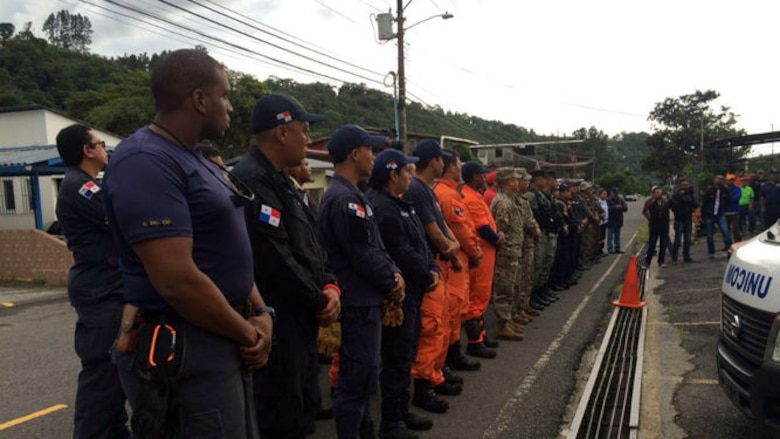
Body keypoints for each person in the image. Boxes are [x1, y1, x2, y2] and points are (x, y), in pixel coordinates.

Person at [104, 49, 271, 438]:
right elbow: (176, 281)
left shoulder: (192, 158)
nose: (229, 106)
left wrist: (264, 313)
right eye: (225, 95)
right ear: (198, 99)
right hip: (191, 345)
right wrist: (249, 334)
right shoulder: (146, 160)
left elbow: (223, 251)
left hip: (225, 334)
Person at [231, 93, 341, 438]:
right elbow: (273, 258)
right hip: (279, 320)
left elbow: (310, 243)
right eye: (304, 131)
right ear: (282, 132)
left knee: (303, 407)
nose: (307, 140)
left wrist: (329, 283)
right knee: (280, 415)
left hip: (301, 315)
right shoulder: (251, 180)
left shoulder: (282, 181)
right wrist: (318, 298)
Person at [318, 124, 405, 439]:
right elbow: (362, 254)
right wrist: (392, 279)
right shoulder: (345, 199)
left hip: (365, 299)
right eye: (371, 150)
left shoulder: (353, 195)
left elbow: (375, 247)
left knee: (364, 379)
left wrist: (393, 272)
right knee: (357, 382)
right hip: (357, 302)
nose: (374, 156)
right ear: (355, 154)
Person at [54, 124, 131, 439]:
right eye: (101, 144)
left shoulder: (88, 183)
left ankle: (113, 430)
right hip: (101, 290)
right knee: (102, 369)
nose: (105, 149)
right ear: (87, 150)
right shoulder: (80, 186)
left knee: (115, 371)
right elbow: (120, 216)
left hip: (108, 286)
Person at [365, 148, 440, 438]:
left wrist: (431, 267)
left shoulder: (400, 204)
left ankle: (402, 411)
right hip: (399, 293)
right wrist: (426, 272)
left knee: (406, 354)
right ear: (393, 174)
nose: (410, 175)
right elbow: (400, 251)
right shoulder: (382, 207)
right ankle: (392, 421)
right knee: (396, 357)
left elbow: (419, 242)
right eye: (406, 171)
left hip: (414, 288)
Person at [403, 139, 462, 414]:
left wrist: (452, 247)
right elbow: (432, 232)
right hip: (428, 270)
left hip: (438, 265)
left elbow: (443, 226)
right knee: (430, 329)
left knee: (438, 326)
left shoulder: (426, 190)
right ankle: (423, 389)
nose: (446, 163)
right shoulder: (417, 188)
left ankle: (434, 376)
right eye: (442, 159)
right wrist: (451, 249)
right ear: (433, 161)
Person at [433, 151, 483, 373]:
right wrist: (474, 251)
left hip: (457, 259)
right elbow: (461, 230)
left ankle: (452, 356)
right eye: (458, 163)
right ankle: (447, 361)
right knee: (451, 313)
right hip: (456, 261)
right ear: (451, 167)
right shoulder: (448, 195)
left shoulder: (448, 192)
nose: (460, 167)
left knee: (454, 312)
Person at [459, 161, 501, 357]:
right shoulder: (471, 198)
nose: (485, 178)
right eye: (482, 175)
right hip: (481, 255)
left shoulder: (475, 196)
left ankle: (481, 336)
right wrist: (498, 238)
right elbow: (483, 228)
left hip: (486, 254)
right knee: (477, 298)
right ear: (475, 176)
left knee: (481, 298)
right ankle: (475, 343)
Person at [490, 167, 529, 340]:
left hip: (513, 250)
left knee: (512, 286)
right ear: (506, 182)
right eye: (513, 180)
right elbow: (500, 229)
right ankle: (502, 325)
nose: (517, 182)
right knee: (504, 288)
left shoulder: (511, 200)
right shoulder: (503, 202)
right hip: (506, 251)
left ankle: (508, 320)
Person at [701, 174, 733, 258]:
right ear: (715, 180)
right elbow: (704, 203)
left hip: (720, 214)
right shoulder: (709, 190)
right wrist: (703, 216)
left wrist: (724, 209)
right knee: (709, 234)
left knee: (726, 231)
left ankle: (730, 250)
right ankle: (711, 252)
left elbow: (729, 201)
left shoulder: (725, 191)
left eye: (722, 179)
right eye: (718, 179)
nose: (720, 180)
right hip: (710, 215)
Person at [668, 177, 698, 263]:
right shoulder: (676, 196)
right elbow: (673, 207)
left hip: (688, 218)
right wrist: (681, 198)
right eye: (683, 185)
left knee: (688, 239)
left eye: (686, 185)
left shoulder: (690, 195)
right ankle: (675, 257)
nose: (685, 187)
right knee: (678, 239)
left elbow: (695, 205)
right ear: (679, 186)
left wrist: (689, 200)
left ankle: (686, 256)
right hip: (679, 220)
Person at [642, 186, 671, 268]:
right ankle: (647, 262)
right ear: (653, 194)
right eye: (656, 192)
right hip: (654, 226)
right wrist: (650, 218)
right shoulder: (650, 202)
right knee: (652, 245)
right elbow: (646, 210)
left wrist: (669, 197)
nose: (658, 194)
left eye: (659, 192)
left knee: (663, 245)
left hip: (664, 226)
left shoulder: (665, 202)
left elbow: (671, 205)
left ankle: (661, 261)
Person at [606, 187, 627, 254]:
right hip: (611, 220)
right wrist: (615, 207)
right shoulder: (608, 200)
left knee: (617, 236)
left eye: (616, 193)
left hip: (618, 220)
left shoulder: (620, 200)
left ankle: (617, 248)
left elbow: (626, 208)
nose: (615, 194)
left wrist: (622, 207)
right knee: (610, 236)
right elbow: (607, 210)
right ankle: (610, 249)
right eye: (614, 193)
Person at [725, 174, 742, 242]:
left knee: (735, 228)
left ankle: (738, 242)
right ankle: (728, 243)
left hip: (735, 211)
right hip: (726, 212)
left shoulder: (737, 189)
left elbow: (736, 198)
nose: (730, 182)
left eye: (732, 180)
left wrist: (727, 199)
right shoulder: (724, 189)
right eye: (729, 180)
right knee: (726, 229)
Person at [598, 188, 609, 256]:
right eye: (603, 194)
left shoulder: (605, 202)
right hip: (600, 222)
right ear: (599, 195)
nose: (605, 195)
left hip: (605, 221)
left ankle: (601, 249)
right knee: (599, 237)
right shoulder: (598, 202)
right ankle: (598, 250)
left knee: (603, 237)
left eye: (606, 194)